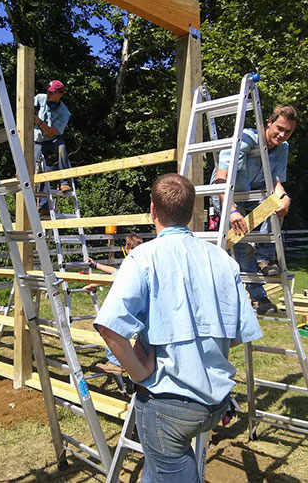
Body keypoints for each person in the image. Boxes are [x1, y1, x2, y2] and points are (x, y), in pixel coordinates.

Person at [94, 173, 262, 482]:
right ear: (190, 212)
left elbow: (109, 327)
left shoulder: (142, 258)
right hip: (214, 402)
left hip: (166, 405)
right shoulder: (222, 260)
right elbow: (240, 332)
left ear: (153, 211)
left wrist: (139, 372)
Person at [214, 104, 299, 315]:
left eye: (287, 131)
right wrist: (232, 210)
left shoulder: (282, 148)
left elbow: (276, 184)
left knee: (277, 205)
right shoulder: (245, 140)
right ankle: (259, 298)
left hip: (253, 196)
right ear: (268, 122)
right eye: (279, 128)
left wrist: (285, 199)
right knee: (243, 246)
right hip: (227, 195)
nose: (281, 134)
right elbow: (220, 179)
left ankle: (266, 259)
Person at [86, 234, 144, 374]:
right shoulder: (140, 259)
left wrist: (92, 284)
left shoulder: (130, 261)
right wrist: (95, 265)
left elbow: (115, 277)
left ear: (127, 247)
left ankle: (116, 362)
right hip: (139, 303)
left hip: (128, 304)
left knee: (111, 325)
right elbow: (114, 271)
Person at [34, 80, 71, 215]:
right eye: (48, 91)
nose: (48, 94)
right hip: (38, 140)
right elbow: (26, 106)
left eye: (52, 92)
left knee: (61, 148)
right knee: (40, 169)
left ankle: (64, 181)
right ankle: (42, 206)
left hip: (53, 138)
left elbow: (52, 132)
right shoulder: (40, 99)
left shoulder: (64, 113)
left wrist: (39, 122)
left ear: (60, 94)